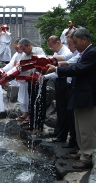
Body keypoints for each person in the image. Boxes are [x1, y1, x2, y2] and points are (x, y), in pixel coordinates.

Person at [46, 27, 96, 169]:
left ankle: (87, 156)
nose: (74, 46)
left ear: (84, 39)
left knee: (87, 128)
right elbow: (73, 64)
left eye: (75, 42)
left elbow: (78, 69)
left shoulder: (92, 53)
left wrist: (56, 69)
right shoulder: (84, 53)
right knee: (80, 127)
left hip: (87, 97)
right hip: (79, 95)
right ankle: (82, 151)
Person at [43, 36, 72, 142]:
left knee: (64, 110)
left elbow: (58, 69)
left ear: (58, 43)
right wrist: (44, 77)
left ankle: (62, 135)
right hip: (58, 82)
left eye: (52, 47)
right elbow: (54, 72)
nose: (52, 50)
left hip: (65, 82)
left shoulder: (67, 52)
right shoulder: (57, 53)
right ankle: (58, 132)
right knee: (60, 109)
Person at [18, 38, 46, 134]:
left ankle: (39, 126)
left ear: (29, 45)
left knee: (39, 103)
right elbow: (21, 65)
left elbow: (42, 63)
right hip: (30, 80)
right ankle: (31, 124)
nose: (23, 51)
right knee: (31, 102)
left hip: (39, 80)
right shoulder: (23, 55)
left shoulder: (38, 51)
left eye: (23, 48)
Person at [1, 38, 29, 123]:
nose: (17, 50)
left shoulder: (26, 54)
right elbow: (10, 64)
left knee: (28, 97)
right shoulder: (16, 54)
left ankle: (29, 115)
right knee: (22, 97)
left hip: (27, 78)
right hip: (19, 78)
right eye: (16, 48)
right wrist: (2, 69)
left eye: (18, 48)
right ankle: (25, 113)